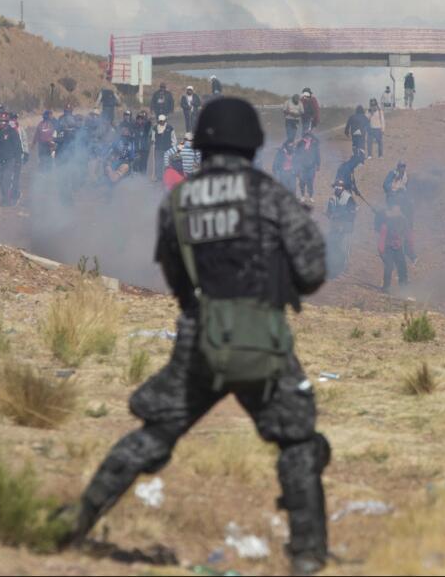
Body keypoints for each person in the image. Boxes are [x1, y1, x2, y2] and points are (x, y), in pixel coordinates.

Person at [54, 98, 330, 575]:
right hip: (263, 340)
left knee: (154, 435)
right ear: (251, 142)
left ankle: (74, 522)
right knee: (299, 444)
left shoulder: (179, 201)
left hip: (198, 340)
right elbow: (312, 272)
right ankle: (307, 557)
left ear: (201, 141)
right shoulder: (271, 197)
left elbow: (176, 280)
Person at [377, 205, 415, 292]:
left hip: (398, 247)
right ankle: (386, 287)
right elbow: (382, 240)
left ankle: (404, 286)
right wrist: (382, 253)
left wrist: (411, 250)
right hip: (388, 248)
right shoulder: (386, 225)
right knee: (389, 267)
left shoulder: (403, 223)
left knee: (402, 266)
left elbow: (408, 236)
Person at [325, 180, 358, 277]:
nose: (338, 188)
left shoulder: (349, 198)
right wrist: (330, 215)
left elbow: (352, 212)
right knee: (333, 246)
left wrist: (341, 217)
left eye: (340, 186)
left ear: (343, 188)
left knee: (344, 247)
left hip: (346, 226)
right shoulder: (332, 198)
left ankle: (343, 268)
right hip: (335, 226)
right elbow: (329, 211)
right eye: (336, 186)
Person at [0, 114, 27, 205]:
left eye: (4, 121)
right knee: (0, 180)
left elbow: (18, 147)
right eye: (1, 121)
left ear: (7, 122)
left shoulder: (13, 132)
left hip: (10, 160)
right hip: (0, 161)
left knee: (6, 179)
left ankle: (6, 199)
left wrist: (18, 161)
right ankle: (4, 196)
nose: (2, 123)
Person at [294, 125, 320, 203]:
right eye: (306, 135)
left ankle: (311, 196)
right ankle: (302, 196)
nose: (308, 137)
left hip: (311, 166)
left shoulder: (314, 143)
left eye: (309, 135)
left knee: (310, 182)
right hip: (302, 166)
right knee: (302, 182)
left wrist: (318, 164)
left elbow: (317, 155)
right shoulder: (300, 144)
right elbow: (296, 155)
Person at [152, 115, 174, 181]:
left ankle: (166, 177)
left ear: (165, 121)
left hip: (167, 149)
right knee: (158, 163)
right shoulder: (155, 128)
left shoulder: (170, 128)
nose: (162, 122)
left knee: (166, 164)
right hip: (158, 149)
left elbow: (173, 139)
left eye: (163, 121)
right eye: (160, 121)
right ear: (158, 121)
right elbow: (153, 138)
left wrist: (172, 147)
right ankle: (159, 177)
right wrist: (153, 142)